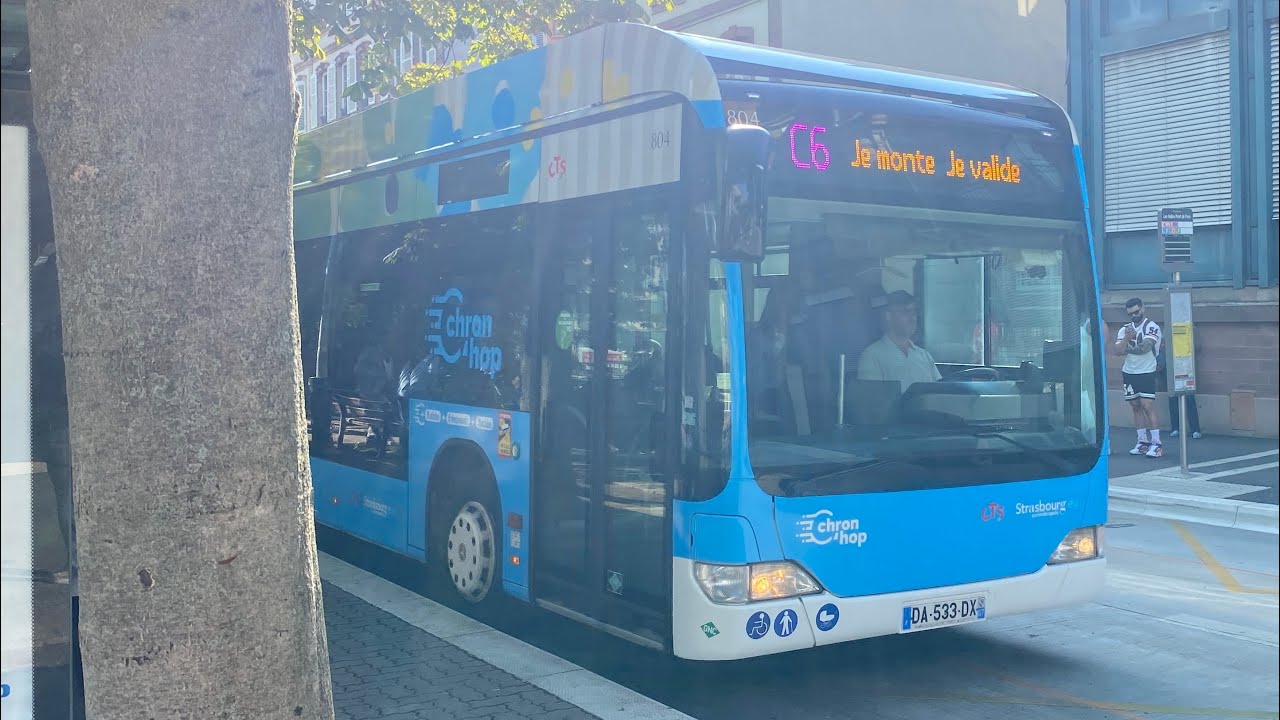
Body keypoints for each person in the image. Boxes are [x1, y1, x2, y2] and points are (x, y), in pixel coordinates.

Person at [857, 290, 941, 392]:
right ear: (888, 316)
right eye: (906, 312)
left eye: (914, 312)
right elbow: (872, 402)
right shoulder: (872, 356)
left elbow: (938, 394)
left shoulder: (925, 356)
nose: (913, 318)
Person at [1113, 297, 1163, 457]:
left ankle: (1156, 443)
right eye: (1130, 314)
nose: (1134, 316)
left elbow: (1145, 348)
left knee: (1147, 405)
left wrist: (1127, 348)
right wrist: (1127, 338)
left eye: (1136, 312)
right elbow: (1116, 350)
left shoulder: (1151, 327)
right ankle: (1142, 441)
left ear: (1142, 309)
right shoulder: (1124, 330)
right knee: (1135, 406)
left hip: (1147, 371)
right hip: (1129, 371)